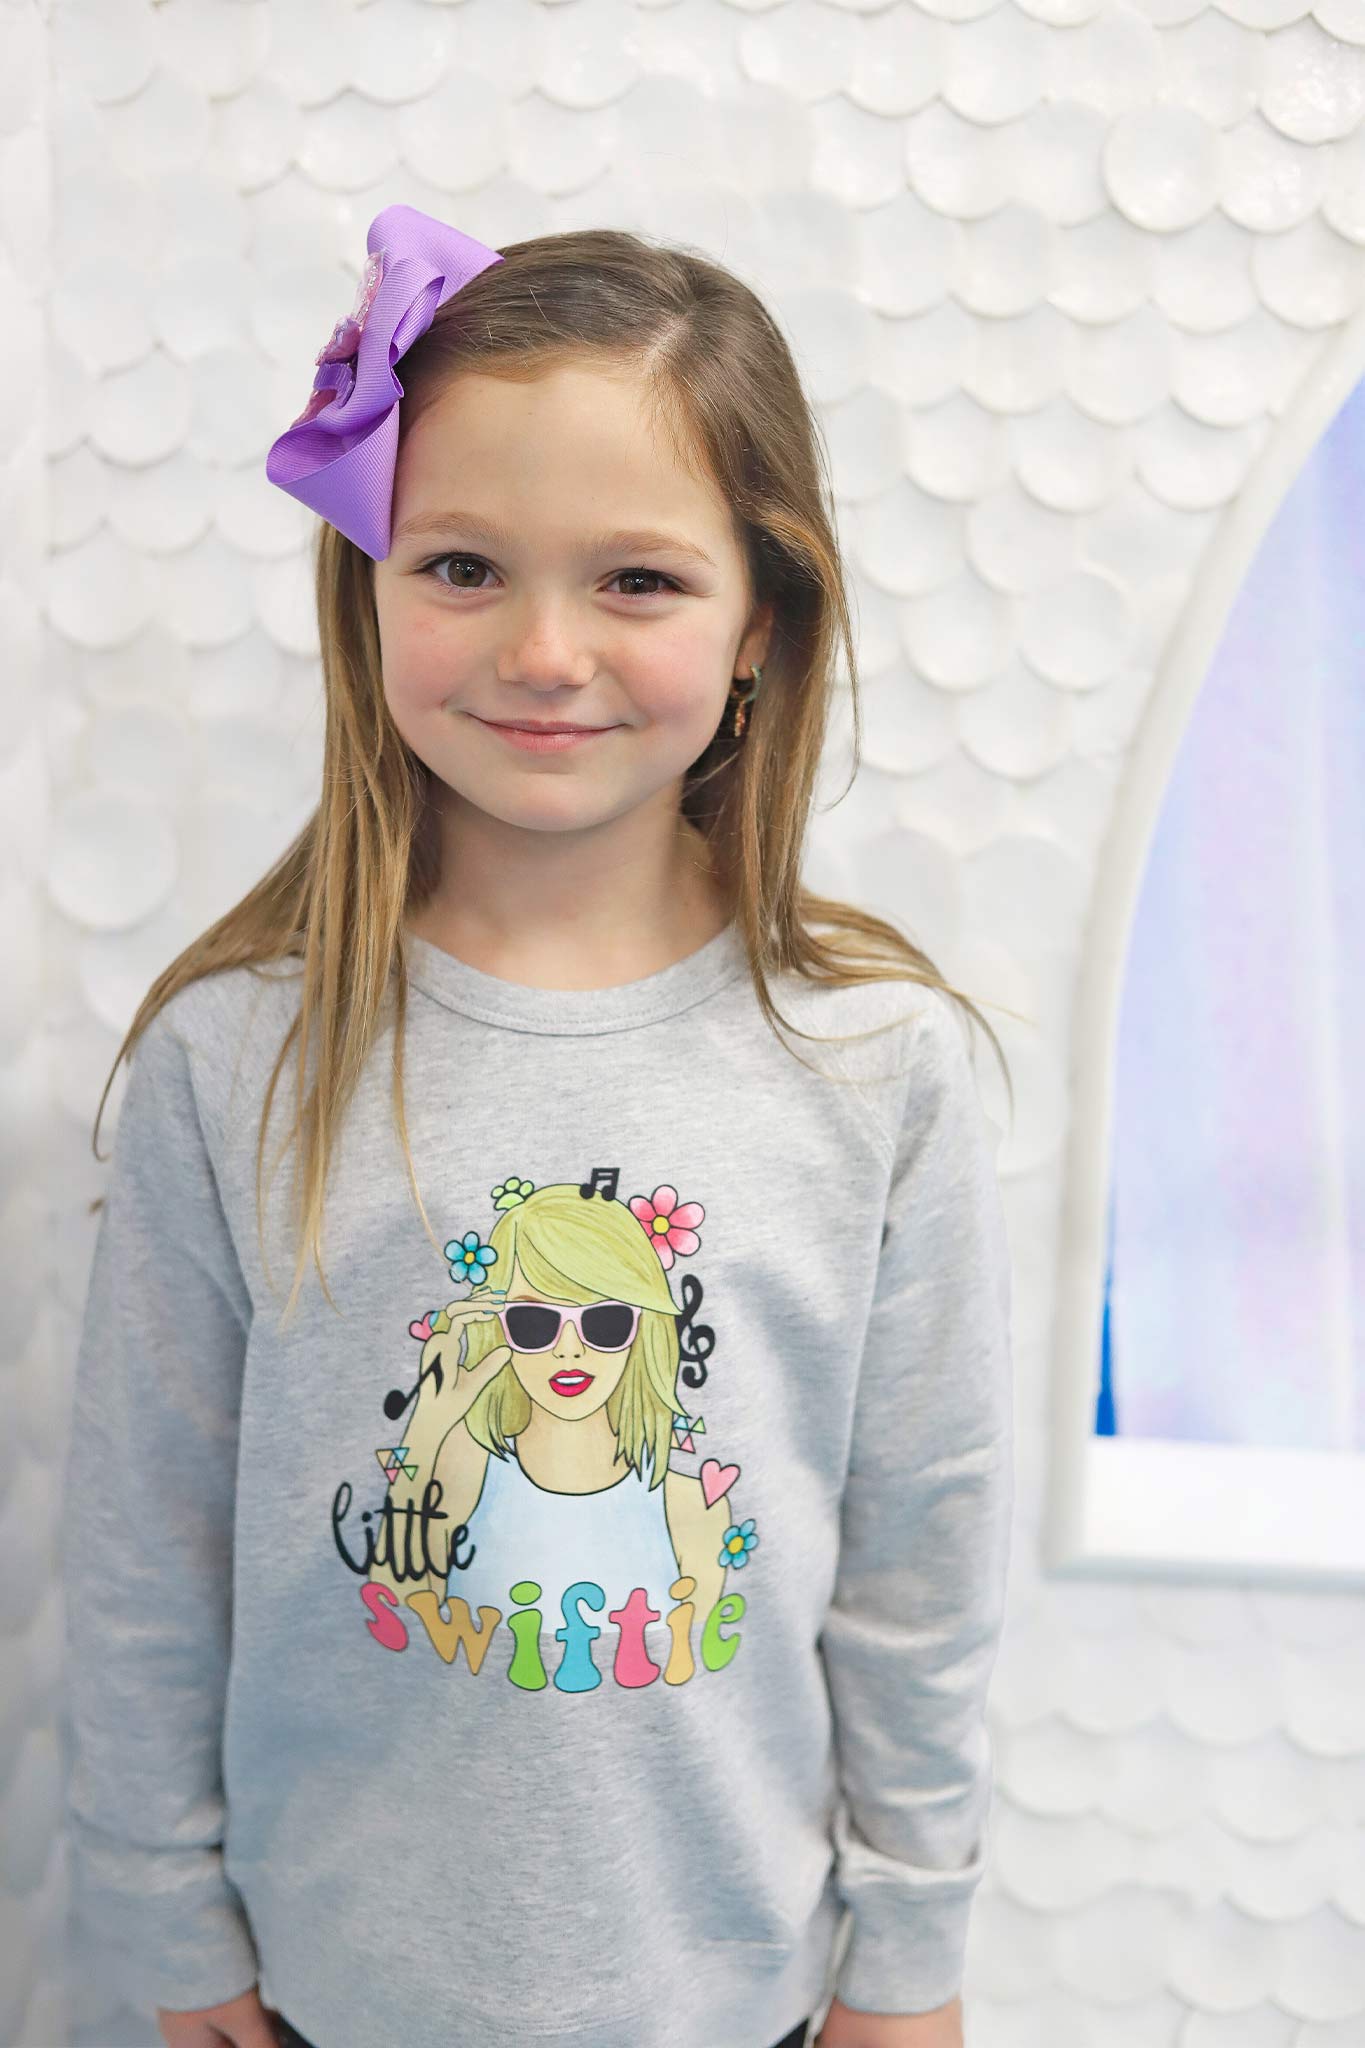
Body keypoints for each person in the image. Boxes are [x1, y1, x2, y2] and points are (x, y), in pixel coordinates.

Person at [60, 205, 1017, 2048]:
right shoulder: (235, 1055)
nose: (545, 650)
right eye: (463, 566)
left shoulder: (874, 1065)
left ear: (761, 622)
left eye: (636, 580)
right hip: (324, 1994)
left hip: (740, 1997)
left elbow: (923, 1561)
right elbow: (147, 1549)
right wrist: (165, 1921)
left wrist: (908, 1959)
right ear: (366, 587)